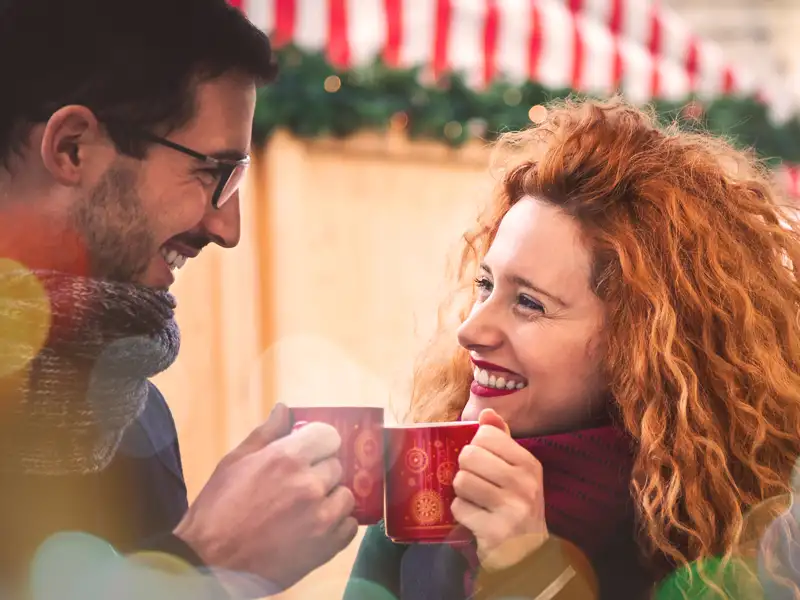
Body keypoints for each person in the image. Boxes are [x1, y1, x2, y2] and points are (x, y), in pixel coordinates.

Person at [343, 97, 800, 599]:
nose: (471, 329)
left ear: (635, 344)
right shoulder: (421, 493)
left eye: (530, 304)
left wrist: (530, 570)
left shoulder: (727, 539)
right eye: (485, 285)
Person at [0, 0, 356, 597]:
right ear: (72, 149)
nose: (228, 228)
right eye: (215, 173)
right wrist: (208, 560)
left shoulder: (134, 411)